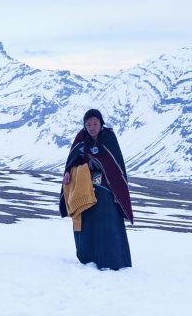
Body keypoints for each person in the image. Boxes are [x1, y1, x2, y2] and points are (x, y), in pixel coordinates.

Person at [59, 108, 133, 270]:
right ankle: (89, 258)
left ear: (101, 123)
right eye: (88, 124)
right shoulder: (81, 139)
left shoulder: (109, 138)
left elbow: (117, 168)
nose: (92, 127)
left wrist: (117, 193)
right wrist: (67, 173)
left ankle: (114, 260)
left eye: (95, 123)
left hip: (107, 189)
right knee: (87, 222)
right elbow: (72, 160)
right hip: (85, 188)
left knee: (107, 222)